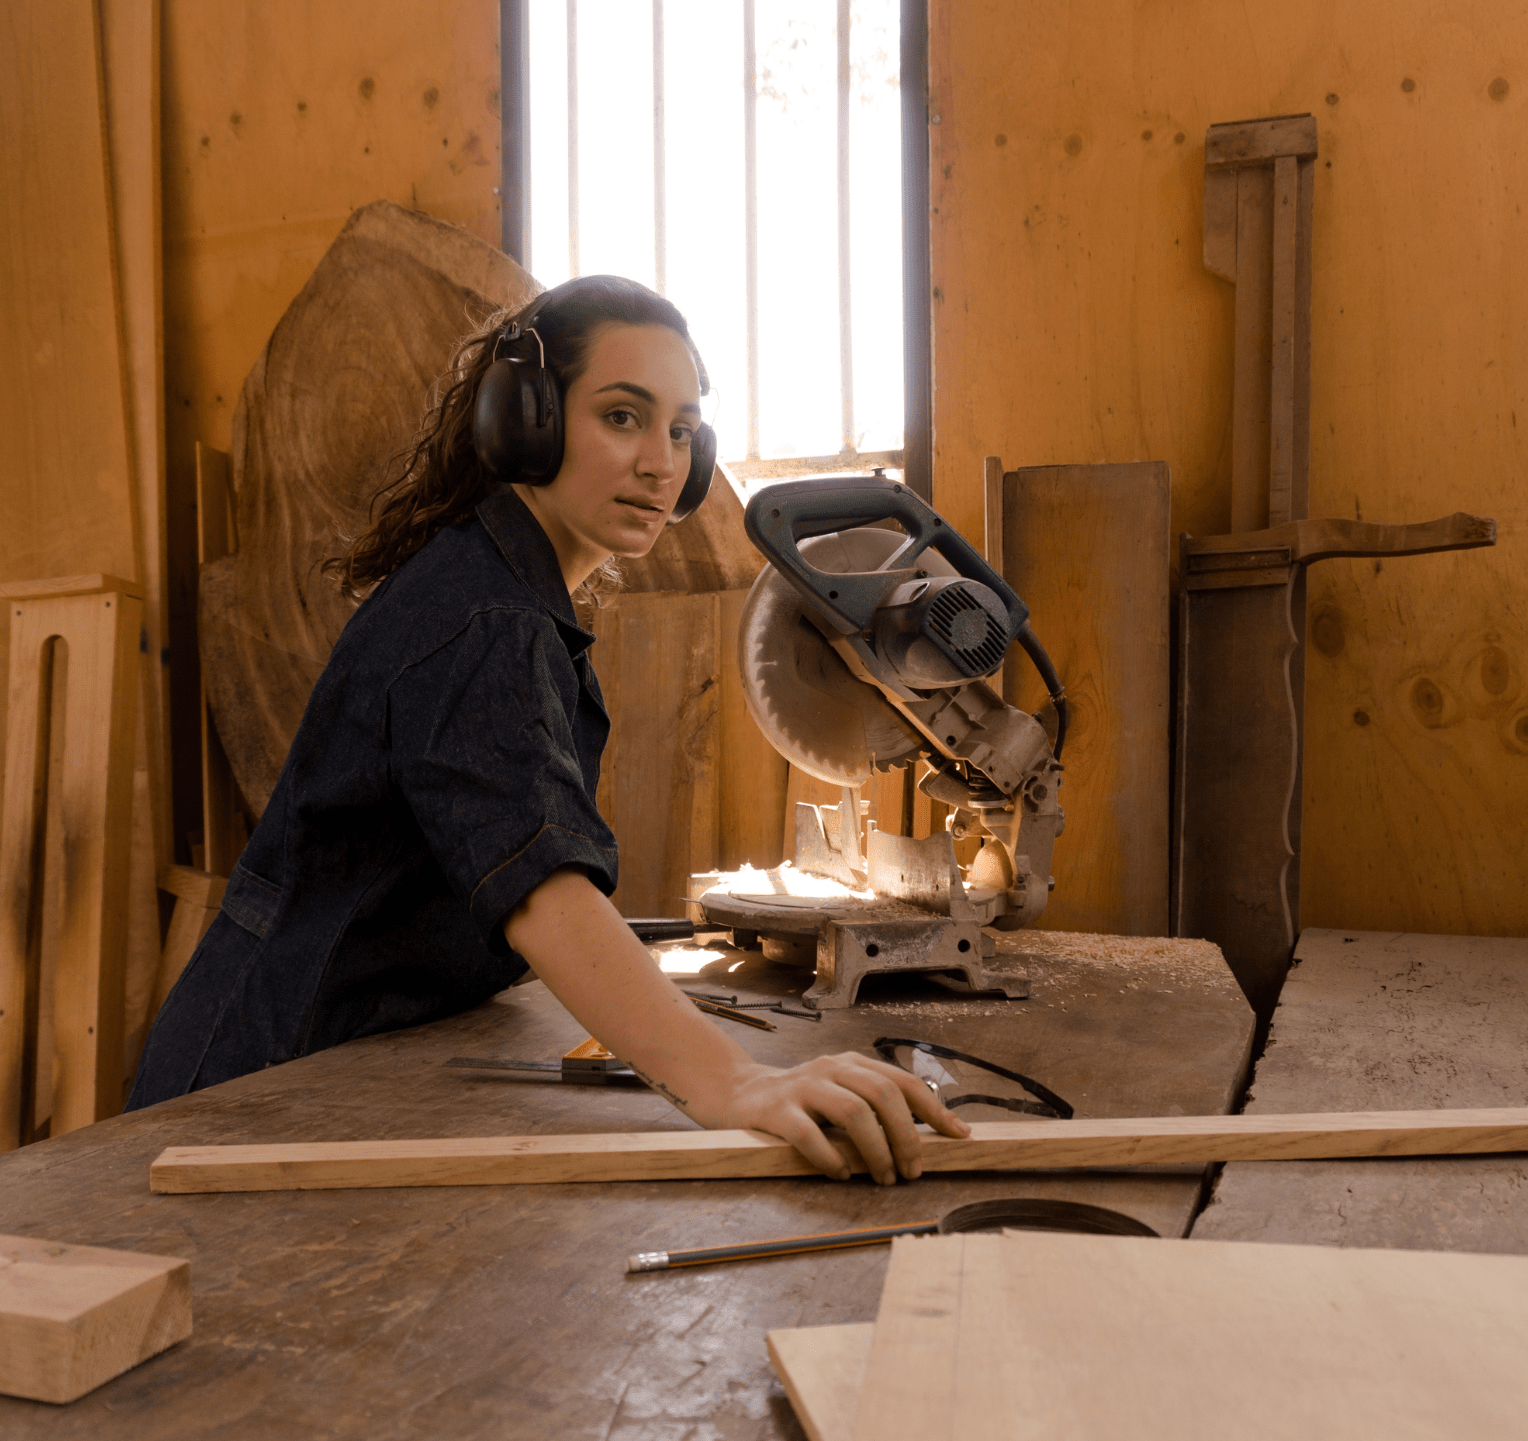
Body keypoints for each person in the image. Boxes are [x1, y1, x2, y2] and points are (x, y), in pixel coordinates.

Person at [128, 274, 966, 1182]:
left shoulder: (506, 594)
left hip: (335, 1061)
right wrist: (735, 1082)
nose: (662, 462)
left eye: (682, 430)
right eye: (621, 416)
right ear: (523, 420)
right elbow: (540, 892)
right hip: (261, 1082)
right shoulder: (485, 619)